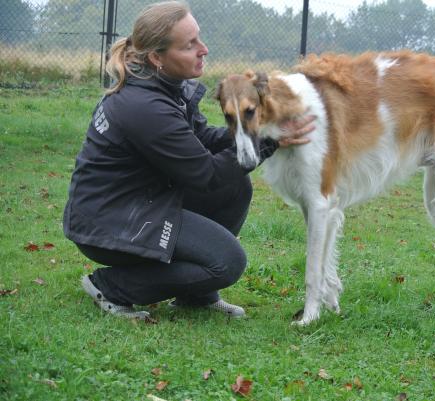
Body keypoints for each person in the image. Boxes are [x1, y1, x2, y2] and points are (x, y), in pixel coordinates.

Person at [63, 1, 314, 319]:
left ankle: (196, 295)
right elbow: (207, 175)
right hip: (110, 222)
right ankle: (112, 286)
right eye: (189, 45)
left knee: (235, 187)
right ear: (157, 58)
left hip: (142, 201)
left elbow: (203, 138)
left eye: (199, 38)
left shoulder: (164, 85)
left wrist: (263, 127)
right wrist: (267, 143)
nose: (203, 49)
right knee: (227, 262)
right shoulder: (145, 106)